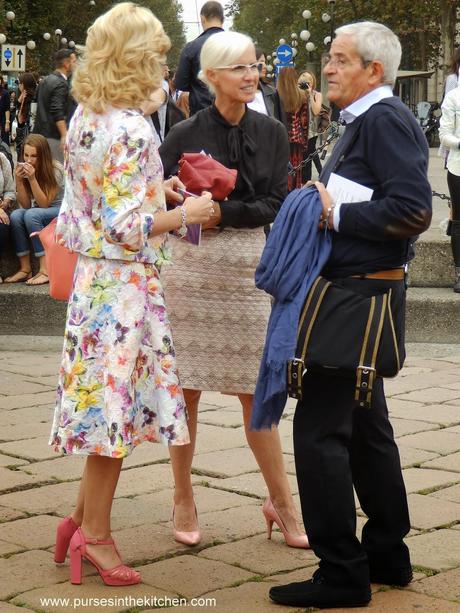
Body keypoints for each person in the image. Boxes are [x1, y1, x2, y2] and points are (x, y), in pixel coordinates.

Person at [48, 2, 213, 587]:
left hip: (96, 284)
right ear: (136, 58)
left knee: (105, 413)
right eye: (158, 54)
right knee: (113, 420)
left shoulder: (89, 116)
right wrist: (186, 210)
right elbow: (124, 226)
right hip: (124, 288)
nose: (164, 65)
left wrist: (154, 191)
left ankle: (76, 522)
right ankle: (94, 538)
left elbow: (85, 212)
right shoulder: (132, 126)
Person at [269, 21, 432, 609]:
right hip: (362, 294)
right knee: (366, 432)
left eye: (340, 60)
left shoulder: (384, 120)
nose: (328, 68)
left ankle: (341, 572)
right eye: (330, 58)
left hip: (354, 298)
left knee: (318, 435)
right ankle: (388, 554)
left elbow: (413, 210)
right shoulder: (370, 120)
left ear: (374, 71)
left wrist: (334, 216)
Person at [160, 31, 308, 550]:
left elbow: (274, 203)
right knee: (185, 392)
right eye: (240, 67)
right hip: (190, 269)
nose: (252, 75)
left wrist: (225, 211)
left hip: (249, 266)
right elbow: (160, 200)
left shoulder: (271, 131)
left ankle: (282, 502)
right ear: (213, 75)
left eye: (255, 66)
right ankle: (183, 495)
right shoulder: (181, 134)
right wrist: (183, 204)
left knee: (255, 391)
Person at [5, 134, 64, 286]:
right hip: (38, 211)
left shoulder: (55, 169)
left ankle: (45, 269)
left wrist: (32, 179)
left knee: (32, 215)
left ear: (42, 155)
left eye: (34, 156)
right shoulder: (24, 168)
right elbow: (25, 205)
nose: (29, 160)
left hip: (59, 210)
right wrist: (19, 180)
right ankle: (25, 269)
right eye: (26, 155)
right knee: (17, 215)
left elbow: (44, 204)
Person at [174, 1, 224, 116]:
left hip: (202, 113)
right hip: (234, 113)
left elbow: (181, 83)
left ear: (202, 19)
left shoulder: (191, 47)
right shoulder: (237, 44)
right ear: (222, 18)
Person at [33, 49, 77, 162]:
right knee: (56, 173)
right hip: (54, 137)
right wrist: (64, 134)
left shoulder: (45, 81)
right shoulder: (61, 84)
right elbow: (57, 110)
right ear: (66, 64)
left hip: (39, 135)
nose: (76, 64)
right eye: (74, 61)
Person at [439, 84, 460, 292]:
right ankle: (459, 272)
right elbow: (444, 133)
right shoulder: (454, 97)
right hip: (458, 166)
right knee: (459, 220)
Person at [276, 67, 309, 190]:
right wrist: (304, 143)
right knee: (296, 171)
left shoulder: (276, 96)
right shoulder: (302, 96)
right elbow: (304, 122)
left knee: (282, 170)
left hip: (281, 139)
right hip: (297, 139)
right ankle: (294, 196)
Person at [248, 47, 287, 127]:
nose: (265, 66)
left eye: (265, 62)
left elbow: (280, 124)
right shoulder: (235, 93)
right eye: (261, 62)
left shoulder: (272, 92)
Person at [297, 70, 323, 182]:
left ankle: (305, 184)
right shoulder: (296, 93)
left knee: (307, 161)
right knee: (297, 160)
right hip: (296, 132)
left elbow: (316, 111)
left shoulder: (317, 94)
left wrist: (310, 93)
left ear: (312, 83)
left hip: (310, 133)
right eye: (303, 81)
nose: (305, 83)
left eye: (307, 81)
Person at [0, 150, 15, 283]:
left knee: (3, 226)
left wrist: (6, 201)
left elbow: (10, 190)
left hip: (1, 208)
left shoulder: (1, 158)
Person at [15, 73, 37, 161]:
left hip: (26, 138)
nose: (19, 85)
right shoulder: (29, 97)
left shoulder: (28, 99)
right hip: (28, 137)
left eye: (20, 83)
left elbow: (20, 119)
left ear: (24, 84)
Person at [0, 76, 11, 146]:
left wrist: (7, 122)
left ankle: (6, 154)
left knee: (5, 141)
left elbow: (7, 109)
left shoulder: (5, 93)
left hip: (3, 119)